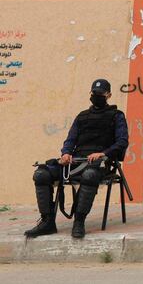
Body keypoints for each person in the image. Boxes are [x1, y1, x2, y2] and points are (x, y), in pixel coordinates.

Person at [25, 79, 129, 239]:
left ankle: (79, 221)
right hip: (75, 162)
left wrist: (103, 153)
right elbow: (70, 140)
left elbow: (122, 142)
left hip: (101, 163)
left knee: (90, 175)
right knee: (41, 174)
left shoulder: (117, 116)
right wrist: (66, 154)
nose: (97, 96)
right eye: (94, 93)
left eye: (100, 94)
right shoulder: (82, 116)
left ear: (109, 95)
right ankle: (47, 222)